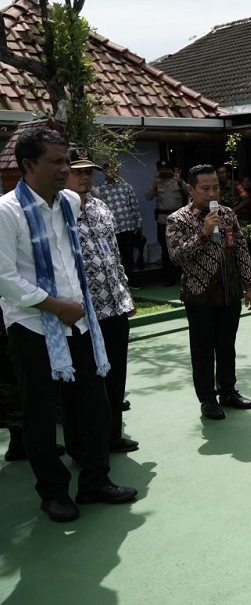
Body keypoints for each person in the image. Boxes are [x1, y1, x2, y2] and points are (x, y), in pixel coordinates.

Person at [0, 127, 137, 522]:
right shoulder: (8, 211)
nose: (65, 169)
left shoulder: (71, 202)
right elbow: (5, 277)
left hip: (78, 322)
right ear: (28, 165)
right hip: (33, 326)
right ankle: (54, 493)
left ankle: (95, 480)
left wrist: (73, 306)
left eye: (67, 161)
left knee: (94, 405)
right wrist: (54, 304)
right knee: (41, 414)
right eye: (56, 162)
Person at [166, 164, 251, 420]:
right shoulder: (178, 219)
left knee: (227, 346)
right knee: (203, 349)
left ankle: (228, 391)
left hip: (230, 292)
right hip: (200, 296)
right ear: (191, 189)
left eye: (215, 187)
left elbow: (240, 250)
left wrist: (249, 285)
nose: (211, 192)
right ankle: (207, 399)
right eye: (205, 188)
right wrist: (204, 232)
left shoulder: (227, 214)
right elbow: (176, 256)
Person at [65, 149, 139, 453]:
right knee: (84, 382)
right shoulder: (57, 212)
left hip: (114, 305)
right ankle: (83, 444)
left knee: (115, 374)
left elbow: (114, 255)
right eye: (78, 171)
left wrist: (125, 290)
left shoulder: (100, 207)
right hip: (82, 312)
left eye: (88, 172)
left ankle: (112, 435)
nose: (85, 177)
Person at [91, 162, 143, 285]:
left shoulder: (126, 186)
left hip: (127, 226)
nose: (113, 173)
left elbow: (134, 206)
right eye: (109, 170)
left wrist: (139, 223)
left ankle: (130, 281)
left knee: (128, 255)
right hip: (112, 229)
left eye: (115, 170)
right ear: (104, 172)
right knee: (115, 256)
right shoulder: (100, 189)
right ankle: (119, 282)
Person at [144, 159, 187, 285]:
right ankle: (169, 276)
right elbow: (147, 196)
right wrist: (154, 184)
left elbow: (191, 191)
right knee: (166, 249)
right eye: (161, 170)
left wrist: (180, 181)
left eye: (166, 169)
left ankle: (183, 275)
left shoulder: (177, 181)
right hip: (163, 220)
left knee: (182, 247)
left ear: (171, 170)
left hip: (179, 220)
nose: (164, 172)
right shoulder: (157, 183)